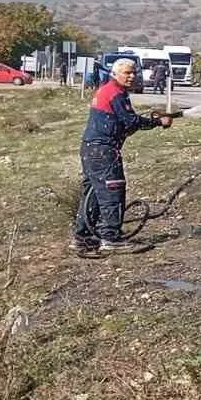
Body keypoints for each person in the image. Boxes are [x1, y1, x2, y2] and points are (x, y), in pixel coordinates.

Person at [71, 59, 174, 255]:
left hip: (91, 150)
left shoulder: (108, 90)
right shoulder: (116, 93)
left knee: (92, 193)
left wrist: (150, 120)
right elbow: (130, 122)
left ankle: (82, 238)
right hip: (103, 152)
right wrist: (158, 122)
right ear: (115, 73)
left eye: (134, 72)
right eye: (127, 73)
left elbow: (123, 122)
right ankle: (110, 238)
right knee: (112, 191)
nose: (132, 76)